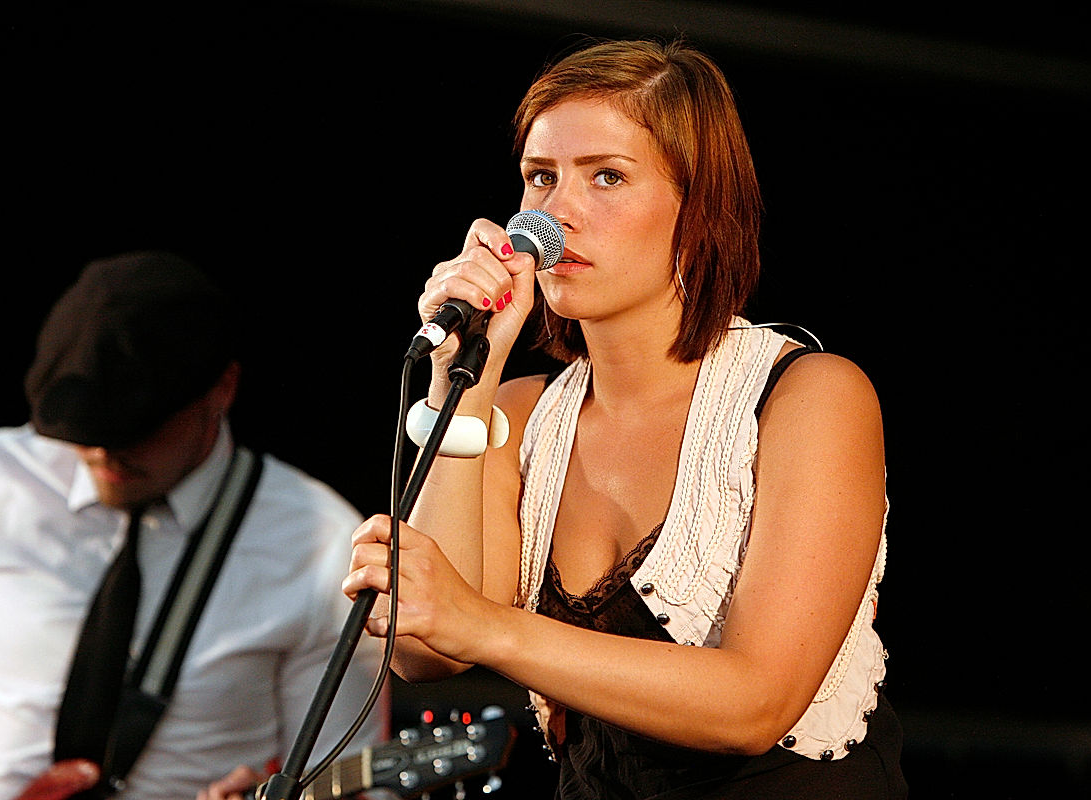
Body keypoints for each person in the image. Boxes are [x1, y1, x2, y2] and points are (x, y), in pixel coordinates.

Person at [344, 38, 907, 799]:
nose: (554, 214)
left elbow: (754, 704)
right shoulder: (518, 413)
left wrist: (483, 624)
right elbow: (427, 651)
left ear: (699, 211)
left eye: (606, 176)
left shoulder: (810, 395)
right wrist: (463, 379)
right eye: (541, 177)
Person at [0, 251, 387, 800]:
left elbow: (355, 781)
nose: (103, 450)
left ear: (223, 389)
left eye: (137, 428)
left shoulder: (323, 544)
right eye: (81, 427)